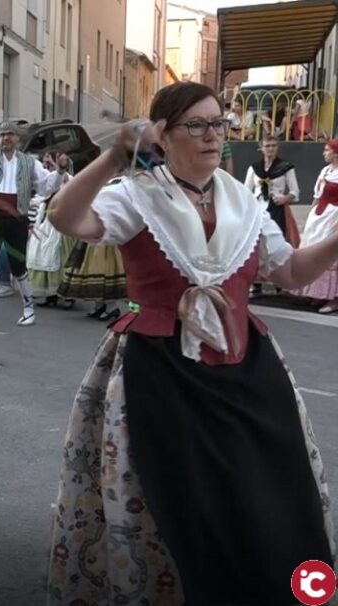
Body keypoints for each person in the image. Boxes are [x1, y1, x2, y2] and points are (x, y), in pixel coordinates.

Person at [46, 81, 337, 605]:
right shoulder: (136, 196)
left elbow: (291, 271)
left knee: (271, 492)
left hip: (247, 367)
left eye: (218, 124)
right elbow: (66, 217)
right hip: (159, 369)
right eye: (196, 125)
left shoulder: (244, 203)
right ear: (163, 132)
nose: (212, 135)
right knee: (176, 501)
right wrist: (115, 155)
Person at [0, 119, 58, 327]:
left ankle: (28, 309)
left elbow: (45, 186)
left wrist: (59, 173)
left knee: (19, 266)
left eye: (10, 134)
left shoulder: (29, 162)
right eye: (2, 134)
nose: (6, 138)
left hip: (17, 219)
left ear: (17, 138)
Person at [292, 139, 338, 313]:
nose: (324, 153)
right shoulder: (326, 170)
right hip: (320, 215)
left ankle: (334, 297)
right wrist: (311, 217)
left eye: (327, 150)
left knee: (330, 255)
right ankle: (319, 294)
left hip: (334, 216)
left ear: (336, 154)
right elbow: (317, 196)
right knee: (313, 250)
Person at [27, 152, 76, 307]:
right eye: (44, 161)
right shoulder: (44, 179)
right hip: (45, 221)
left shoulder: (67, 177)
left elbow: (66, 180)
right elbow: (44, 191)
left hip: (62, 223)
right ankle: (49, 294)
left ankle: (66, 296)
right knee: (41, 253)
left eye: (49, 160)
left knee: (60, 257)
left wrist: (58, 167)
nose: (45, 163)